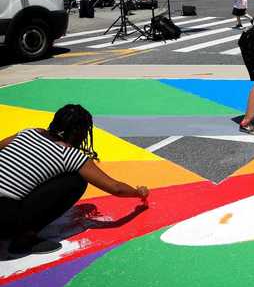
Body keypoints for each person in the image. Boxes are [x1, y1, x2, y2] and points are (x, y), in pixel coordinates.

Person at [0, 105, 149, 256]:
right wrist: (138, 192)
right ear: (78, 132)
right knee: (76, 181)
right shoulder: (70, 154)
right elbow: (115, 188)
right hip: (4, 220)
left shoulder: (29, 133)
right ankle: (24, 239)